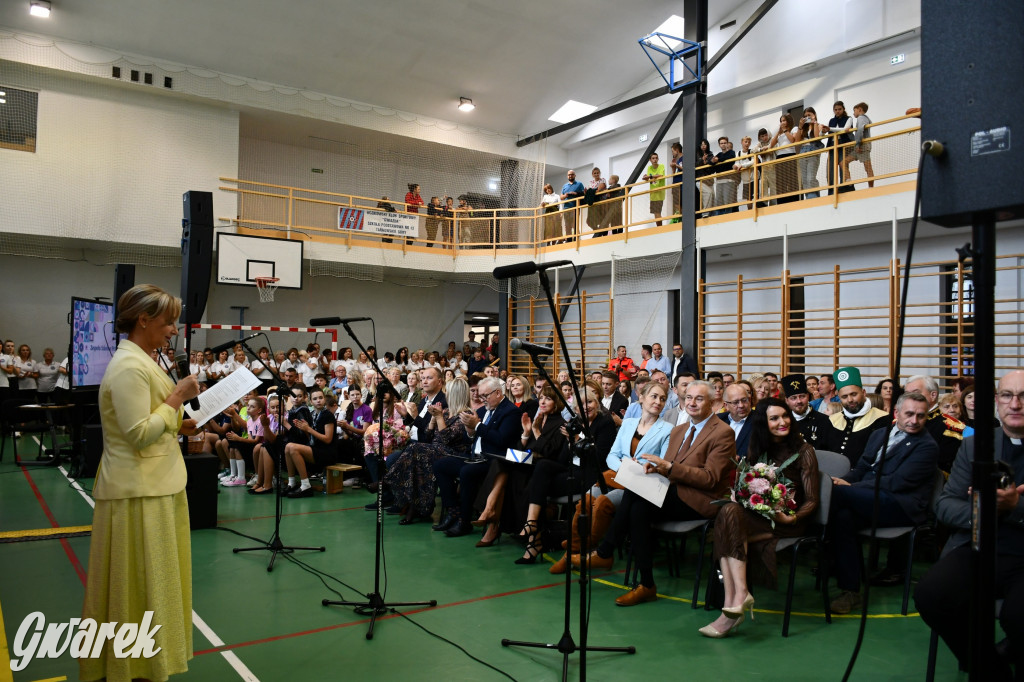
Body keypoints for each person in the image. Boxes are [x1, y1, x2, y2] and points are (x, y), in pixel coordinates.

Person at [80, 284, 201, 682]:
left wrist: (176, 422)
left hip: (155, 486)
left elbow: (150, 422)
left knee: (149, 587)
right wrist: (176, 398)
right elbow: (135, 432)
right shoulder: (130, 365)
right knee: (141, 588)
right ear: (144, 320)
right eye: (168, 321)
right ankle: (133, 667)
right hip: (140, 493)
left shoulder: (143, 360)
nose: (173, 329)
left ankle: (143, 664)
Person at [574, 380, 737, 606]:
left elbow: (710, 478)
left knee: (636, 498)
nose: (692, 403)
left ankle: (606, 551)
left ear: (713, 402)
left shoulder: (723, 432)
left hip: (701, 499)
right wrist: (655, 468)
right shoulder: (680, 430)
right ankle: (646, 584)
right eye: (688, 398)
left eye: (699, 399)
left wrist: (669, 468)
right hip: (673, 491)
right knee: (638, 508)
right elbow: (667, 465)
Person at [914, 370, 1024, 679]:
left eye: (1023, 396)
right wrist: (984, 509)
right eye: (1007, 395)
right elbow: (946, 506)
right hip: (980, 545)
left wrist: (1015, 506)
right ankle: (991, 668)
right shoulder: (977, 446)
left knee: (1017, 616)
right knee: (931, 595)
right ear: (997, 402)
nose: (1014, 404)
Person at [701, 398, 820, 637]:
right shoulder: (759, 449)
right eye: (774, 418)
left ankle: (733, 605)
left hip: (789, 521)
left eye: (784, 416)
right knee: (728, 511)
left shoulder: (803, 451)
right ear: (763, 423)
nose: (782, 422)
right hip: (760, 517)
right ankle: (737, 597)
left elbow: (813, 501)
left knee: (727, 521)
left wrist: (792, 518)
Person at [828, 391, 939, 614]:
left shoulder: (927, 446)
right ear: (896, 413)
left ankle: (816, 547)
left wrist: (848, 488)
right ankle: (850, 590)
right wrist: (846, 481)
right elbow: (861, 468)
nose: (914, 421)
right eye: (909, 414)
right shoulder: (880, 434)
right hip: (869, 498)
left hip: (901, 505)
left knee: (833, 494)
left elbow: (896, 483)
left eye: (921, 416)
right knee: (842, 518)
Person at [550, 381, 673, 573]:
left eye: (663, 398)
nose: (658, 401)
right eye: (654, 396)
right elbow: (612, 456)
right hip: (618, 474)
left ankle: (591, 551)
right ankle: (572, 553)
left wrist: (638, 468)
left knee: (602, 504)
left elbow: (663, 462)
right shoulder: (629, 423)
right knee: (584, 503)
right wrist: (627, 468)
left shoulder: (667, 429)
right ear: (641, 398)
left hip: (642, 481)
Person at [517, 384, 616, 564]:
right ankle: (532, 526)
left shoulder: (605, 423)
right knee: (542, 468)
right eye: (582, 404)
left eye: (590, 402)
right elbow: (563, 459)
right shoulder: (575, 423)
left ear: (597, 403)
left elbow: (599, 457)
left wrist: (577, 440)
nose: (586, 407)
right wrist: (570, 443)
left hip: (590, 474)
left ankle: (533, 539)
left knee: (535, 485)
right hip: (570, 469)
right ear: (576, 409)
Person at [473, 384, 566, 547]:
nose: (542, 402)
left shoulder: (560, 423)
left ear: (557, 402)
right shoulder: (538, 419)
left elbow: (550, 452)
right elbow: (523, 447)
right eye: (541, 397)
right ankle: (490, 512)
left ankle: (491, 517)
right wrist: (525, 433)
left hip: (542, 469)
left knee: (504, 470)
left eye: (548, 399)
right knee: (499, 463)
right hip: (528, 463)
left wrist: (535, 432)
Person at [433, 376, 521, 537]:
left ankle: (464, 522)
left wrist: (478, 426)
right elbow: (469, 439)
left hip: (494, 460)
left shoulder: (511, 412)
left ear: (498, 393)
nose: (482, 399)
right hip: (474, 456)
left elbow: (501, 440)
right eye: (481, 396)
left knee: (467, 472)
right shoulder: (482, 411)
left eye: (486, 395)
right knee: (441, 465)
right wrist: (470, 430)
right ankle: (453, 510)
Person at [822, 366, 890, 466]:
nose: (850, 400)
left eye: (853, 394)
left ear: (863, 393)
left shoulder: (882, 419)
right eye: (844, 397)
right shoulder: (832, 420)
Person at [283, 386, 337, 498]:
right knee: (288, 447)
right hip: (316, 449)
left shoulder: (328, 415)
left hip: (327, 452)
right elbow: (310, 436)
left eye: (321, 398)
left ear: (324, 399)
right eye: (315, 398)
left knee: (292, 447)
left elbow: (328, 439)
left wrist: (308, 429)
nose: (318, 400)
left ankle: (305, 485)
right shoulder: (313, 414)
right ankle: (291, 482)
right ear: (310, 401)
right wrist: (305, 430)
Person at [781, 374, 831, 448]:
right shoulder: (783, 422)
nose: (799, 401)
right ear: (787, 400)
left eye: (802, 396)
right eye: (793, 398)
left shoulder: (824, 420)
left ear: (808, 396)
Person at [795, 107, 827, 199]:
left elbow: (816, 137)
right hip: (803, 152)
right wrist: (800, 126)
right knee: (804, 179)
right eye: (805, 116)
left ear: (814, 115)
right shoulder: (802, 128)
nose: (807, 117)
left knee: (811, 178)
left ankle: (813, 198)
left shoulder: (819, 125)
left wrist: (814, 121)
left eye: (809, 115)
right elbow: (797, 141)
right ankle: (810, 197)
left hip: (813, 151)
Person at [842, 102, 874, 188]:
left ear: (859, 109)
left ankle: (871, 188)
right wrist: (850, 133)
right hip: (859, 146)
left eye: (854, 110)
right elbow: (858, 133)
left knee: (868, 168)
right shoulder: (862, 119)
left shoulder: (861, 118)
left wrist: (858, 145)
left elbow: (860, 131)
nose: (853, 113)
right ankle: (849, 181)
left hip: (862, 146)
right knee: (843, 163)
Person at [824, 101, 854, 193]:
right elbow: (827, 132)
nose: (837, 111)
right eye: (835, 110)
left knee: (843, 167)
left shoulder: (849, 118)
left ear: (843, 109)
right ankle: (831, 191)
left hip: (843, 144)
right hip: (832, 146)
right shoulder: (832, 120)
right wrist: (823, 130)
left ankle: (843, 189)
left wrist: (830, 129)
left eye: (839, 109)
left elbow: (845, 129)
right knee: (830, 170)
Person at [770, 113, 799, 204]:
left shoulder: (794, 129)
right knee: (781, 180)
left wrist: (785, 130)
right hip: (780, 156)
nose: (782, 122)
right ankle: (781, 201)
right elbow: (771, 145)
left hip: (790, 155)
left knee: (791, 179)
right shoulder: (780, 133)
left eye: (784, 120)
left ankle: (793, 200)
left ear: (788, 121)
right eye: (781, 121)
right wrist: (778, 132)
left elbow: (792, 140)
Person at [719, 383, 754, 457]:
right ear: (726, 406)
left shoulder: (759, 421)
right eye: (735, 402)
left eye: (744, 400)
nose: (741, 405)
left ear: (749, 400)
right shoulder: (718, 420)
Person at [709, 136, 738, 215]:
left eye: (725, 143)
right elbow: (712, 163)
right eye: (721, 143)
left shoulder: (731, 152)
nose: (723, 145)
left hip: (728, 180)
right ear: (719, 145)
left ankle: (728, 217)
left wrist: (717, 160)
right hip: (719, 181)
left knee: (727, 201)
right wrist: (712, 160)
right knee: (719, 202)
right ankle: (719, 218)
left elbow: (729, 158)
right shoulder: (718, 154)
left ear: (727, 144)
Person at [642, 152, 667, 226]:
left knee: (658, 212)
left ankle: (660, 229)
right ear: (650, 160)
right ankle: (658, 229)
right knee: (655, 214)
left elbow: (660, 175)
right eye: (653, 158)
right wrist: (645, 177)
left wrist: (650, 176)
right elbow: (649, 178)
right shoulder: (649, 168)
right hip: (653, 194)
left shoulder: (661, 166)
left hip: (659, 193)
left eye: (656, 158)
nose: (655, 160)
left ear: (658, 159)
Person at [560, 170, 585, 241]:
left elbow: (583, 193)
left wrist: (575, 193)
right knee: (567, 226)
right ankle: (569, 240)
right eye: (569, 175)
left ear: (575, 175)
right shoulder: (565, 186)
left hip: (575, 207)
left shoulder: (579, 184)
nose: (570, 176)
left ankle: (577, 239)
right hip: (566, 208)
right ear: (567, 176)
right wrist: (565, 195)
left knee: (574, 224)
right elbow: (561, 197)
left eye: (572, 174)